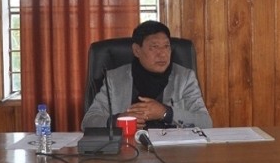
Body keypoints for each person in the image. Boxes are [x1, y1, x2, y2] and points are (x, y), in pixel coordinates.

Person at [81, 20, 212, 130]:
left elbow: (205, 122)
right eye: (154, 47)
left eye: (166, 46)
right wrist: (117, 120)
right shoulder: (115, 79)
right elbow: (88, 122)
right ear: (137, 50)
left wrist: (166, 113)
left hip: (172, 152)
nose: (162, 54)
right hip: (127, 151)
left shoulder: (184, 78)